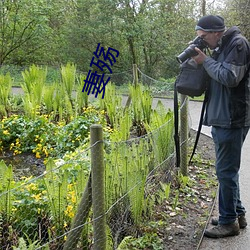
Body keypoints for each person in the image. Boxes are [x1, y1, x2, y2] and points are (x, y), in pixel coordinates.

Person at [192, 15, 250, 238]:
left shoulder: (238, 44)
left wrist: (205, 61)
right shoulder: (221, 46)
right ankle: (237, 214)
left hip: (232, 118)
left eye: (204, 37)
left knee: (225, 171)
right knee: (227, 171)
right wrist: (202, 59)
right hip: (222, 117)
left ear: (216, 32)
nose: (203, 41)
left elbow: (229, 77)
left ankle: (228, 223)